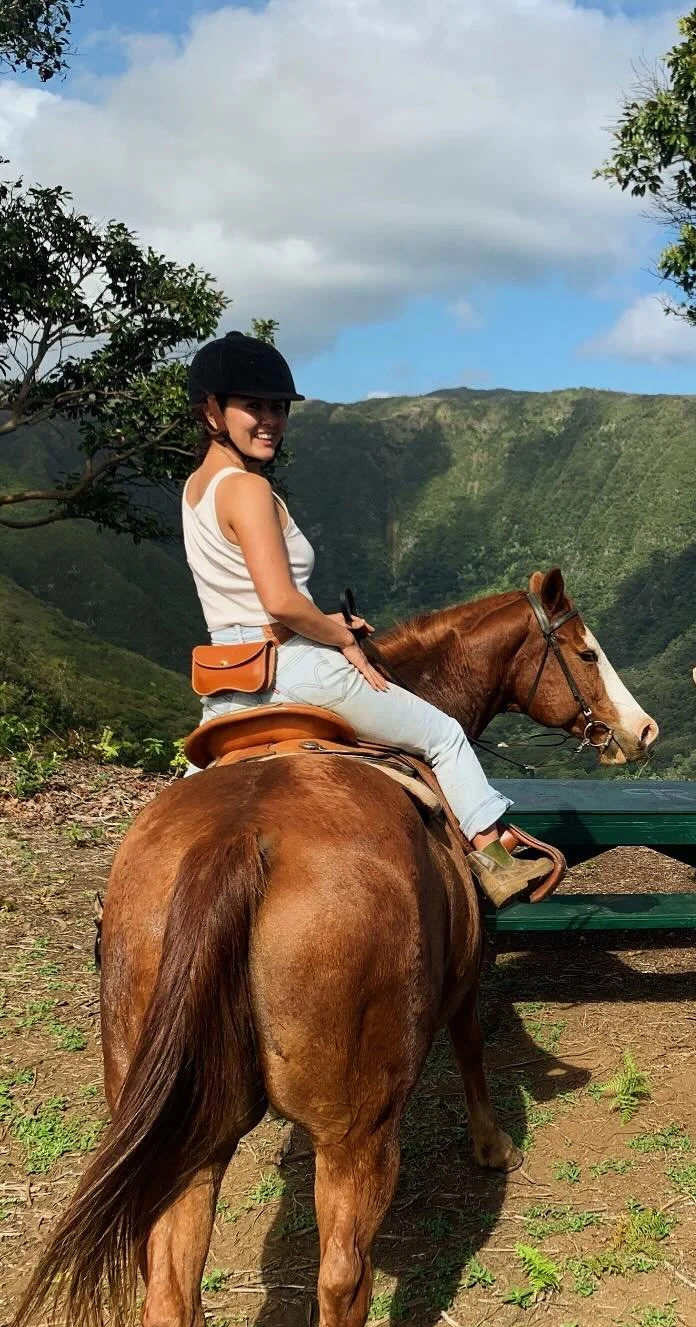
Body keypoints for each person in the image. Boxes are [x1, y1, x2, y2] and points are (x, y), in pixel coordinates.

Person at [181, 330, 553, 907]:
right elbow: (280, 602)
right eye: (253, 405)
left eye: (278, 407)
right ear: (211, 409)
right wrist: (339, 636)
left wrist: (318, 618)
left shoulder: (195, 490)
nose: (271, 420)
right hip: (293, 670)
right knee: (443, 735)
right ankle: (494, 854)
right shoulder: (249, 491)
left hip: (228, 683)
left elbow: (248, 603)